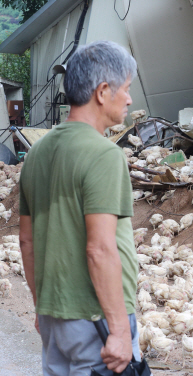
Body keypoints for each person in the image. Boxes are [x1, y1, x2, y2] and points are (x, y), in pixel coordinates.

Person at [19, 40, 140, 375]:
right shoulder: (104, 155)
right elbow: (100, 249)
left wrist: (40, 307)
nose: (129, 99)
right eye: (126, 89)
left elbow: (27, 242)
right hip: (97, 320)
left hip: (54, 317)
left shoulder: (36, 155)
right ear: (103, 91)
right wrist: (118, 330)